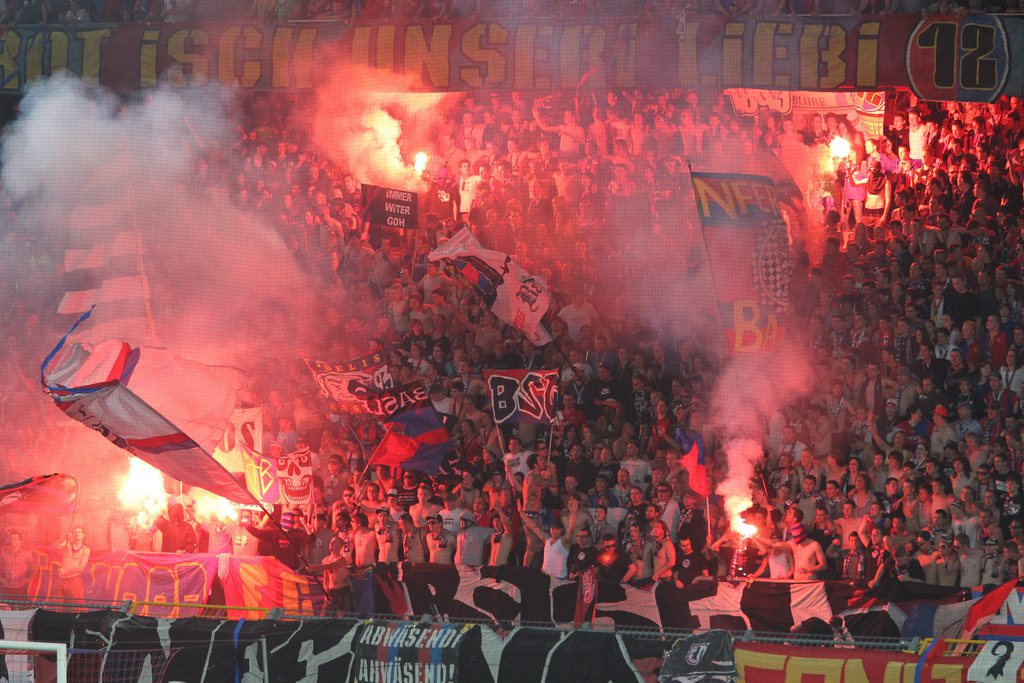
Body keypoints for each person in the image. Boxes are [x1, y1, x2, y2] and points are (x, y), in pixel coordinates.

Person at [308, 537, 353, 617]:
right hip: (332, 593)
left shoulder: (342, 559)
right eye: (330, 542)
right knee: (324, 615)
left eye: (334, 542)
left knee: (344, 617)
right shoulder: (325, 560)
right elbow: (326, 579)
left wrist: (314, 568)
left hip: (342, 592)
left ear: (340, 546)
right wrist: (326, 594)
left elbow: (331, 566)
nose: (331, 543)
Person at [56, 526, 90, 604]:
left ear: (83, 535)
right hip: (62, 580)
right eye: (75, 532)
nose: (77, 533)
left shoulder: (86, 550)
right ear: (72, 534)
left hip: (74, 579)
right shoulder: (67, 544)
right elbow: (55, 547)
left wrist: (65, 572)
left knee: (78, 605)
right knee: (59, 606)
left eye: (79, 532)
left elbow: (81, 568)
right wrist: (64, 538)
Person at [0, 531, 32, 599]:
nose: (12, 541)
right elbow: (1, 568)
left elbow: (31, 569)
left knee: (21, 608)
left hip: (21, 587)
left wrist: (26, 580)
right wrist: (2, 579)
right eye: (11, 539)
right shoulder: (4, 554)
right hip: (6, 587)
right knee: (6, 608)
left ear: (20, 541)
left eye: (15, 539)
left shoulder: (26, 555)